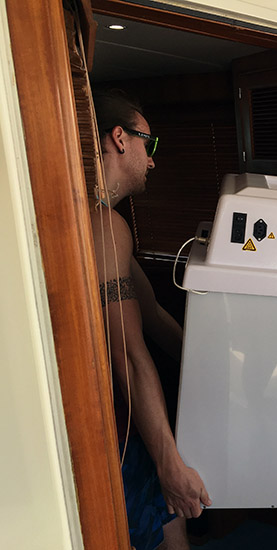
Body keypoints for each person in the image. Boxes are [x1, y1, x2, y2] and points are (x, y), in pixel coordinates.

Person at [90, 89, 211, 550]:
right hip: (108, 424)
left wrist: (217, 372)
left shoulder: (107, 225)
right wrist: (169, 464)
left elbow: (155, 318)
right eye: (149, 144)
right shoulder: (102, 226)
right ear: (120, 139)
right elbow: (129, 352)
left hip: (126, 422)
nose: (152, 160)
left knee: (170, 525)